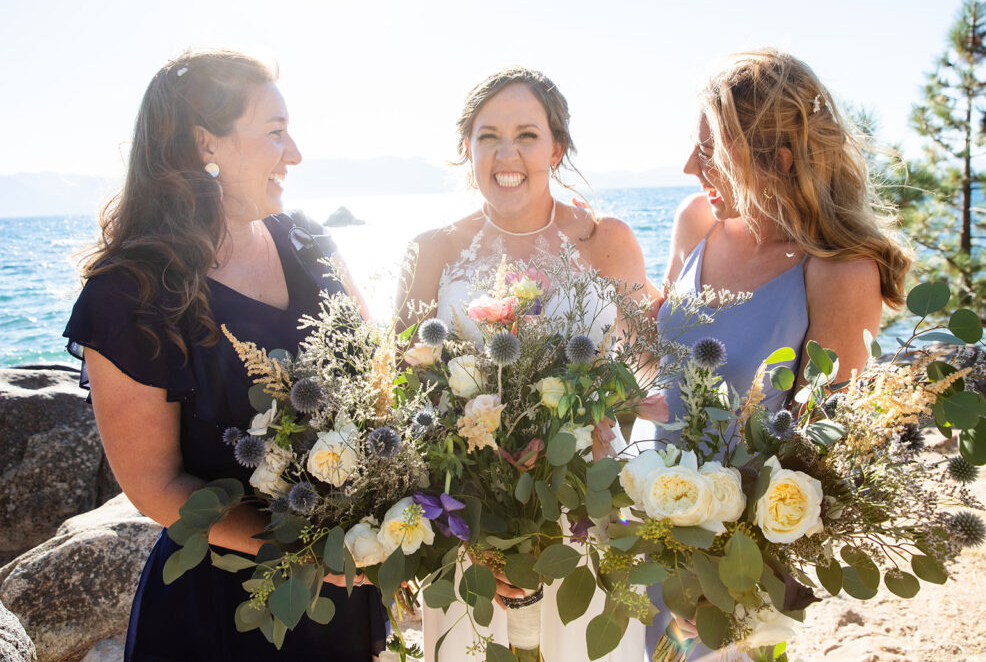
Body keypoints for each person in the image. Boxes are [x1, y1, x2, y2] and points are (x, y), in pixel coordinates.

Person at [63, 50, 385, 661]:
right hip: (223, 612)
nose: (294, 154)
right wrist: (309, 553)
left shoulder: (309, 238)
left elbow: (379, 378)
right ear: (205, 143)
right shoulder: (129, 294)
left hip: (343, 590)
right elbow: (155, 486)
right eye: (274, 133)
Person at [645, 49, 914, 660]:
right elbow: (667, 351)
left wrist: (733, 569)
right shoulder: (698, 222)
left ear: (778, 159)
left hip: (737, 555)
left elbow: (825, 450)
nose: (690, 167)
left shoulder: (840, 272)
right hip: (643, 510)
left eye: (709, 150)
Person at [398, 66, 647, 662]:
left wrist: (611, 416)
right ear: (467, 149)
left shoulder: (606, 240)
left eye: (527, 135)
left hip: (587, 503)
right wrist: (460, 519)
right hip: (466, 515)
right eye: (488, 136)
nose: (506, 154)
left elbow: (644, 365)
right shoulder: (431, 249)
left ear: (557, 147)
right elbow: (404, 387)